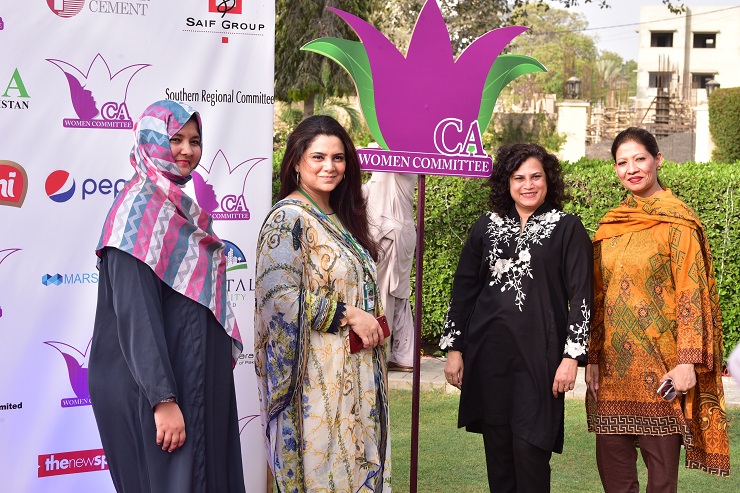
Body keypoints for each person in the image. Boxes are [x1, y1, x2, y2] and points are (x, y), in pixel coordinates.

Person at [88, 100, 246, 493]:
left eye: (194, 140)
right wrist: (163, 400)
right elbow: (136, 315)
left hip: (188, 379)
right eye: (175, 139)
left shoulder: (176, 208)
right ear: (152, 140)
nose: (187, 150)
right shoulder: (137, 212)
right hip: (152, 391)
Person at [440, 143, 592, 492]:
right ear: (506, 183)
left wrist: (571, 357)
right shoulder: (486, 226)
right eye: (518, 178)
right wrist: (455, 350)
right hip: (489, 358)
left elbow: (582, 295)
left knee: (530, 451)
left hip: (540, 361)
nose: (528, 185)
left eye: (536, 176)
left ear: (548, 180)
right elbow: (463, 290)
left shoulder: (567, 228)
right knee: (499, 457)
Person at [586, 127, 730, 491]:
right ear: (615, 169)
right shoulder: (610, 225)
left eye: (640, 159)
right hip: (613, 373)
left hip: (662, 371)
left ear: (658, 160)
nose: (632, 169)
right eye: (622, 162)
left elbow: (691, 294)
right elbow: (598, 297)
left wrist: (687, 363)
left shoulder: (678, 222)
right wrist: (592, 358)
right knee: (614, 479)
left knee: (662, 481)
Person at [254, 115, 391, 492]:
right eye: (318, 157)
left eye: (338, 157)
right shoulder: (287, 220)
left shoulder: (342, 216)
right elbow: (278, 299)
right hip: (316, 383)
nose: (329, 166)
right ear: (296, 162)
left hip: (357, 375)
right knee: (325, 475)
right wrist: (348, 314)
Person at [363, 170, 417, 371]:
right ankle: (405, 355)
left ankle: (379, 352)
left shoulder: (392, 165)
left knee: (382, 295)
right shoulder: (399, 169)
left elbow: (371, 194)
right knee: (400, 295)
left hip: (388, 235)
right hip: (401, 234)